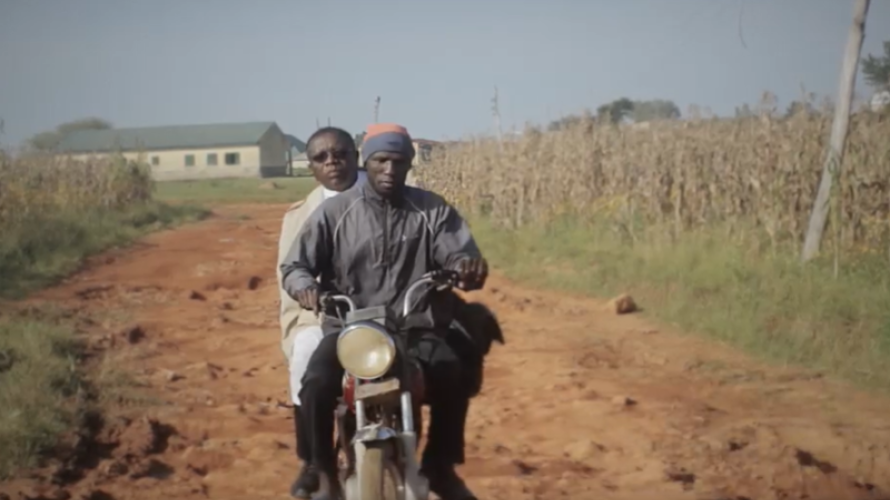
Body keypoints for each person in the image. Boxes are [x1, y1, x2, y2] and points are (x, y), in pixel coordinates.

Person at [280, 123, 488, 500]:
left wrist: (466, 267)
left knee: (453, 373)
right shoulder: (334, 212)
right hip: (349, 330)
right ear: (367, 162)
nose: (389, 171)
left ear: (409, 164)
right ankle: (321, 471)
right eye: (381, 161)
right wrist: (306, 287)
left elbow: (460, 253)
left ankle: (440, 467)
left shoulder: (431, 209)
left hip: (414, 327)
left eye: (398, 162)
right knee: (315, 383)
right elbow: (295, 266)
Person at [275, 126, 365, 499]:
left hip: (382, 311)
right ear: (310, 166)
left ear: (355, 156)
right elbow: (289, 275)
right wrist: (307, 291)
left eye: (341, 154)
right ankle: (313, 461)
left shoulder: (384, 196)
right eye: (321, 158)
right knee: (306, 356)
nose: (333, 163)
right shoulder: (299, 216)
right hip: (321, 315)